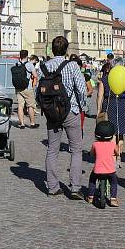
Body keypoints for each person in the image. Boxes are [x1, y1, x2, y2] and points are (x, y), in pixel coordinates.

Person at [42, 36, 88, 199]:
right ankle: (75, 188)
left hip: (52, 114)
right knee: (76, 150)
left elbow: (37, 91)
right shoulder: (73, 66)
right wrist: (84, 107)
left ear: (52, 50)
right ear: (66, 50)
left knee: (52, 150)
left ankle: (53, 187)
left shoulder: (45, 66)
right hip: (71, 111)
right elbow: (82, 89)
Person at [97, 62, 125, 158]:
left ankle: (112, 157)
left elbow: (100, 96)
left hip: (109, 105)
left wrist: (98, 110)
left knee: (111, 132)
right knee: (121, 132)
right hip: (121, 104)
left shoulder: (104, 80)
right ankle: (119, 155)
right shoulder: (124, 78)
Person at [85, 120, 120, 207]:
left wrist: (91, 154)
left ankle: (91, 196)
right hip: (110, 170)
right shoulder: (112, 144)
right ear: (111, 135)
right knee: (114, 181)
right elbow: (117, 152)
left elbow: (92, 154)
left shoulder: (95, 144)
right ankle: (113, 199)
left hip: (98, 169)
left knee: (92, 180)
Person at [13, 49, 39, 129]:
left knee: (20, 106)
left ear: (20, 56)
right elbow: (35, 75)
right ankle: (32, 123)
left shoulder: (17, 64)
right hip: (27, 88)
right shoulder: (29, 65)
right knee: (30, 106)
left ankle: (22, 124)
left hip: (18, 88)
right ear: (27, 56)